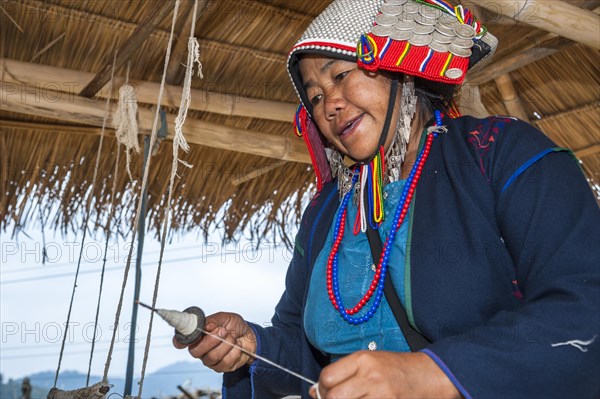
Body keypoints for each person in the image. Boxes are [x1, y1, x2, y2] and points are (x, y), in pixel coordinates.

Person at [174, 0, 600, 397]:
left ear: (400, 67)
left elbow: (584, 307)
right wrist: (253, 345)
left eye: (340, 75)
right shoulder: (326, 212)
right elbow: (303, 348)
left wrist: (433, 373)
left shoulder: (502, 154)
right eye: (316, 96)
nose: (330, 106)